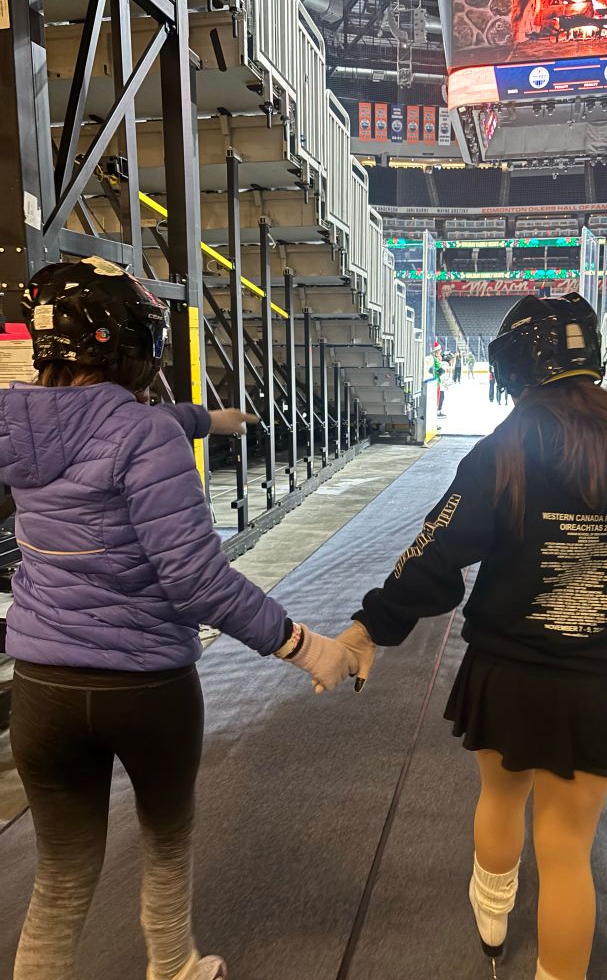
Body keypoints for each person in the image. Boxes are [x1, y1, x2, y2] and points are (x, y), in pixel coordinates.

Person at [0, 258, 374, 980]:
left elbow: (97, 427)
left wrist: (206, 419)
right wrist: (304, 647)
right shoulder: (145, 438)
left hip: (43, 689)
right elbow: (196, 580)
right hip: (143, 689)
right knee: (167, 846)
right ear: (131, 347)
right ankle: (172, 966)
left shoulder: (21, 426)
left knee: (62, 877)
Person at [335, 294, 607, 980]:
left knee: (500, 797)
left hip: (509, 674)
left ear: (511, 369)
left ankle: (492, 920)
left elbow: (435, 549)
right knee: (568, 854)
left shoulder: (507, 445)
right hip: (600, 681)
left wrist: (371, 626)